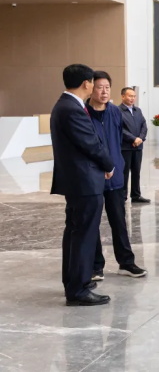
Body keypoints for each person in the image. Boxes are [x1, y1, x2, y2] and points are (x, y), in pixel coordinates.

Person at [51, 64, 114, 306]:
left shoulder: (65, 105)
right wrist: (108, 164)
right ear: (86, 83)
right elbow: (90, 144)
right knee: (84, 235)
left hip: (78, 180)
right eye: (93, 83)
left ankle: (74, 281)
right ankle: (78, 289)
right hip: (84, 180)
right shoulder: (71, 108)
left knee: (76, 232)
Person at [87, 71, 147, 281]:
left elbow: (118, 137)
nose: (104, 92)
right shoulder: (83, 112)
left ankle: (126, 263)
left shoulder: (114, 112)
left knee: (119, 221)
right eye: (99, 87)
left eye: (107, 87)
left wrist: (117, 165)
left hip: (115, 176)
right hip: (93, 177)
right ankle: (96, 266)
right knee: (93, 223)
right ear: (90, 88)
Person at [119, 87, 150, 204]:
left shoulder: (138, 110)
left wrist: (140, 138)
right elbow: (120, 129)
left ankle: (136, 195)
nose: (132, 98)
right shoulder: (118, 111)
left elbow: (144, 125)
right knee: (124, 172)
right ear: (123, 96)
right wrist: (133, 138)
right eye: (129, 96)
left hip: (138, 147)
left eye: (134, 96)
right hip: (125, 147)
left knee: (136, 171)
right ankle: (122, 196)